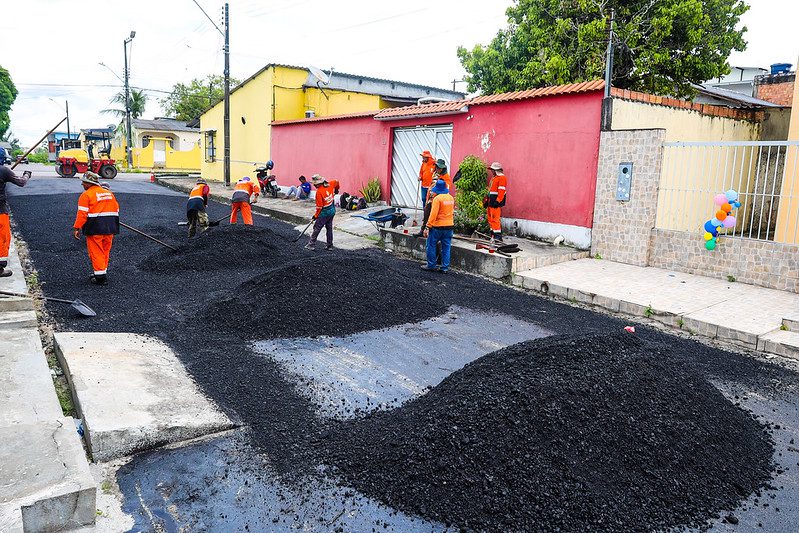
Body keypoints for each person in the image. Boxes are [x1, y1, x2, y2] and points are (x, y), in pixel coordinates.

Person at [73, 172, 119, 285]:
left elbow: (82, 214)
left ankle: (100, 278)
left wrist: (77, 227)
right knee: (105, 251)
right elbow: (116, 209)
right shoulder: (109, 193)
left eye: (83, 182)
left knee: (96, 252)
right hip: (110, 227)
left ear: (89, 183)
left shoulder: (86, 195)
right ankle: (102, 271)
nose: (82, 184)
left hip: (95, 227)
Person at [0, 166, 30, 277]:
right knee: (2, 239)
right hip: (0, 212)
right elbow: (21, 182)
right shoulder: (3, 170)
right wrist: (27, 174)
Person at [422, 179, 455, 273]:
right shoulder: (451, 198)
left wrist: (427, 226)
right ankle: (444, 268)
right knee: (446, 247)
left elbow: (433, 214)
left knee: (431, 245)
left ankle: (431, 265)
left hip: (437, 227)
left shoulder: (437, 199)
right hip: (449, 226)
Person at [306, 174, 335, 250]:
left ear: (319, 183)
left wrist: (315, 216)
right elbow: (337, 182)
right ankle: (330, 246)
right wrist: (337, 189)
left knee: (317, 228)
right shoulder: (331, 184)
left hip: (324, 213)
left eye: (315, 184)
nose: (314, 185)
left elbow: (319, 207)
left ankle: (311, 245)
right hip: (332, 211)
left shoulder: (319, 192)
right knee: (329, 228)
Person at [487, 161, 508, 242]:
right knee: (490, 219)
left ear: (496, 170)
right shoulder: (494, 178)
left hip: (495, 202)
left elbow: (501, 191)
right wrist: (486, 200)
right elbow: (490, 191)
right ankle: (492, 235)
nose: (491, 171)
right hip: (491, 201)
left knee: (495, 219)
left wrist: (498, 201)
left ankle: (498, 237)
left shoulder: (502, 178)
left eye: (492, 169)